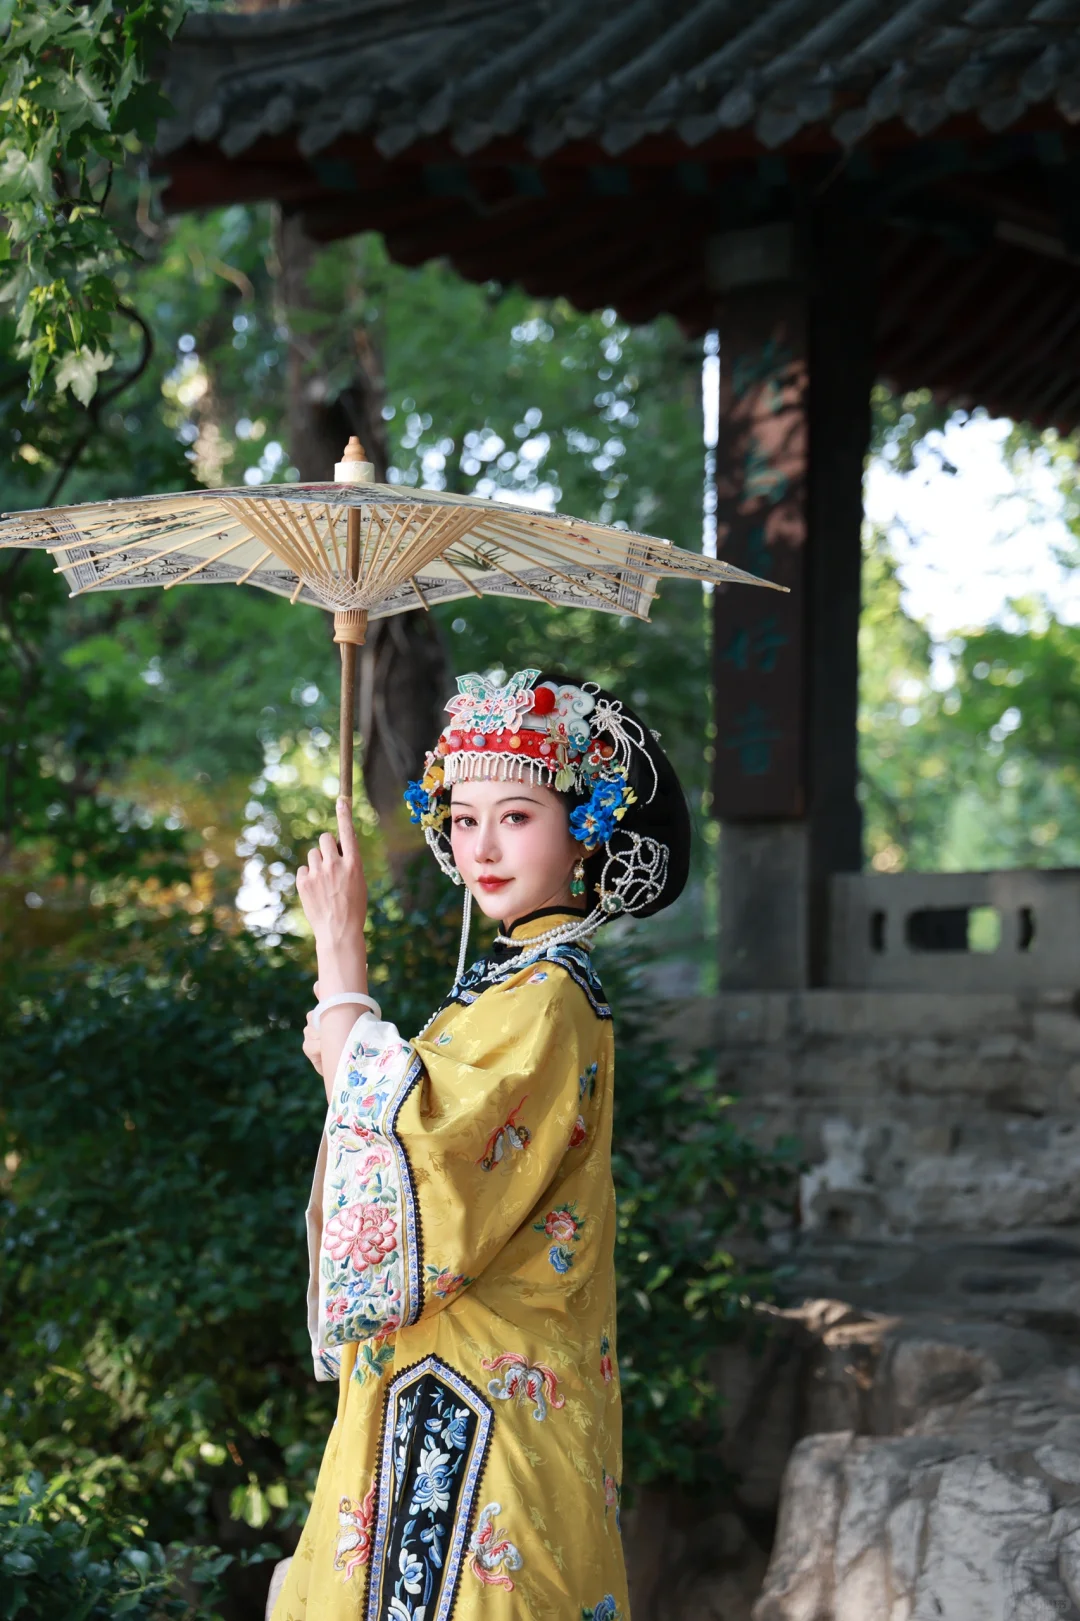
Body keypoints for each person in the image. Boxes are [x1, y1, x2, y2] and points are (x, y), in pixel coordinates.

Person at [270, 667, 690, 1621]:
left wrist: (343, 965)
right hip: (434, 1386)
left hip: (482, 1412)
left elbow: (428, 1155)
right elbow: (406, 1129)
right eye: (464, 820)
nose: (483, 846)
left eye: (517, 815)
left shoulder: (548, 995)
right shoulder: (509, 990)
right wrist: (351, 1044)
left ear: (585, 825)